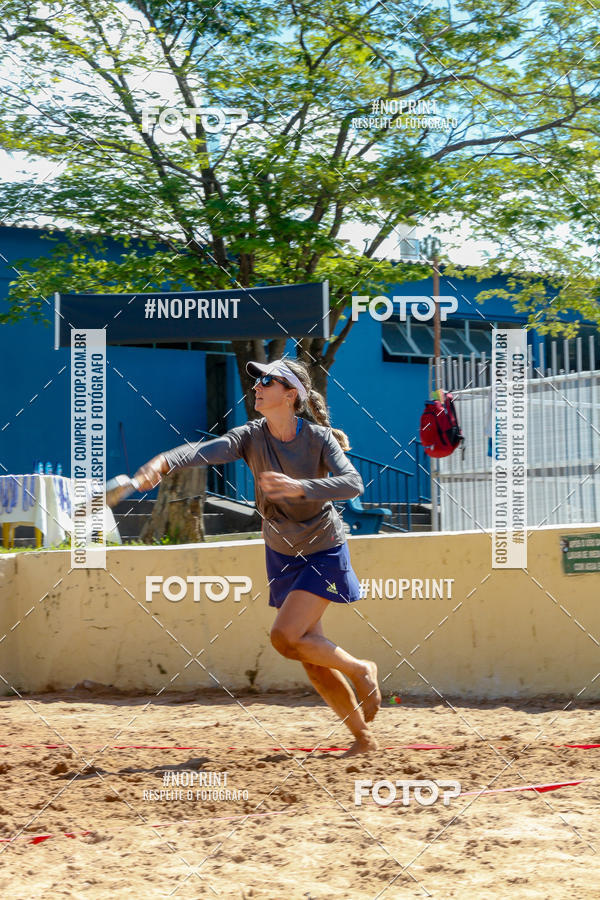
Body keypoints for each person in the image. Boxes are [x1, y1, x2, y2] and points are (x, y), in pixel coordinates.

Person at [133, 358, 381, 756]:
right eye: (258, 379)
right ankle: (362, 740)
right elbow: (201, 452)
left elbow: (353, 483)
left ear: (291, 394)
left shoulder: (318, 438)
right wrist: (162, 462)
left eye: (269, 379)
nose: (258, 385)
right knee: (310, 656)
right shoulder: (250, 436)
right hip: (281, 553)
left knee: (285, 638)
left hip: (323, 550)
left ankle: (359, 669)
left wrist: (299, 487)